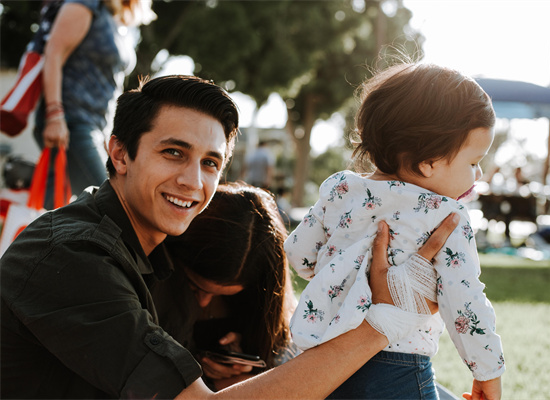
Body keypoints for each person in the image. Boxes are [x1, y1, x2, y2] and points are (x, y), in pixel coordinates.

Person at [1, 74, 460, 400]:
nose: (192, 181)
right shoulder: (73, 254)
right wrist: (383, 323)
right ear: (120, 153)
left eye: (209, 164)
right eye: (173, 153)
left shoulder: (151, 250)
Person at [285, 63, 505, 400]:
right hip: (396, 370)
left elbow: (299, 253)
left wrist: (343, 278)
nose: (477, 175)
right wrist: (488, 373)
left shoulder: (340, 189)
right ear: (428, 161)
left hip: (324, 360)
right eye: (473, 162)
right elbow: (465, 301)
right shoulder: (445, 216)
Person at [152, 182, 299, 391]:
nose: (203, 302)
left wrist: (244, 352)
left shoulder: (269, 308)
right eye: (195, 287)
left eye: (223, 296)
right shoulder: (150, 285)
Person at [34, 0, 155, 208]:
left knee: (55, 210)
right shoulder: (86, 3)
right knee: (113, 204)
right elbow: (54, 53)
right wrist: (54, 114)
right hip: (71, 121)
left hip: (97, 127)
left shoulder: (119, 19)